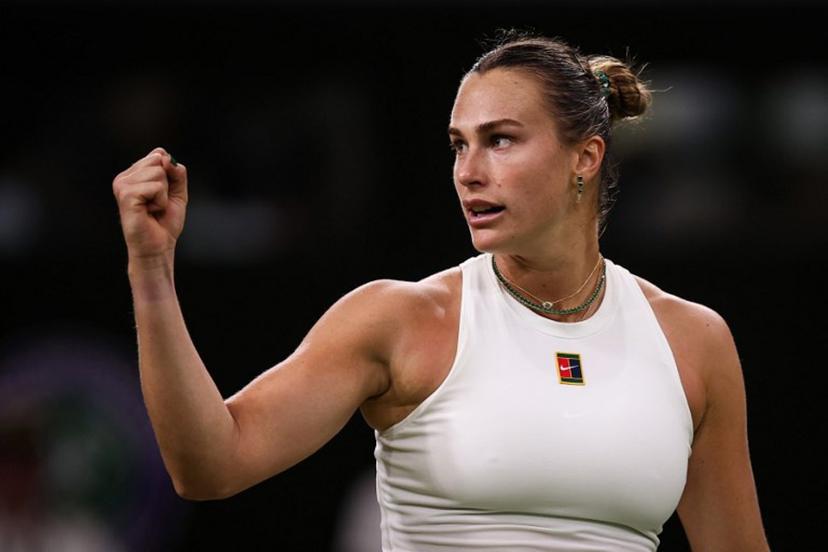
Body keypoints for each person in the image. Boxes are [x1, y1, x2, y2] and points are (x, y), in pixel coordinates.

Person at [112, 33, 769, 551]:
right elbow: (209, 465)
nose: (469, 173)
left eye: (500, 140)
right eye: (459, 146)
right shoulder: (398, 320)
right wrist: (151, 270)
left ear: (585, 157)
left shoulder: (693, 341)